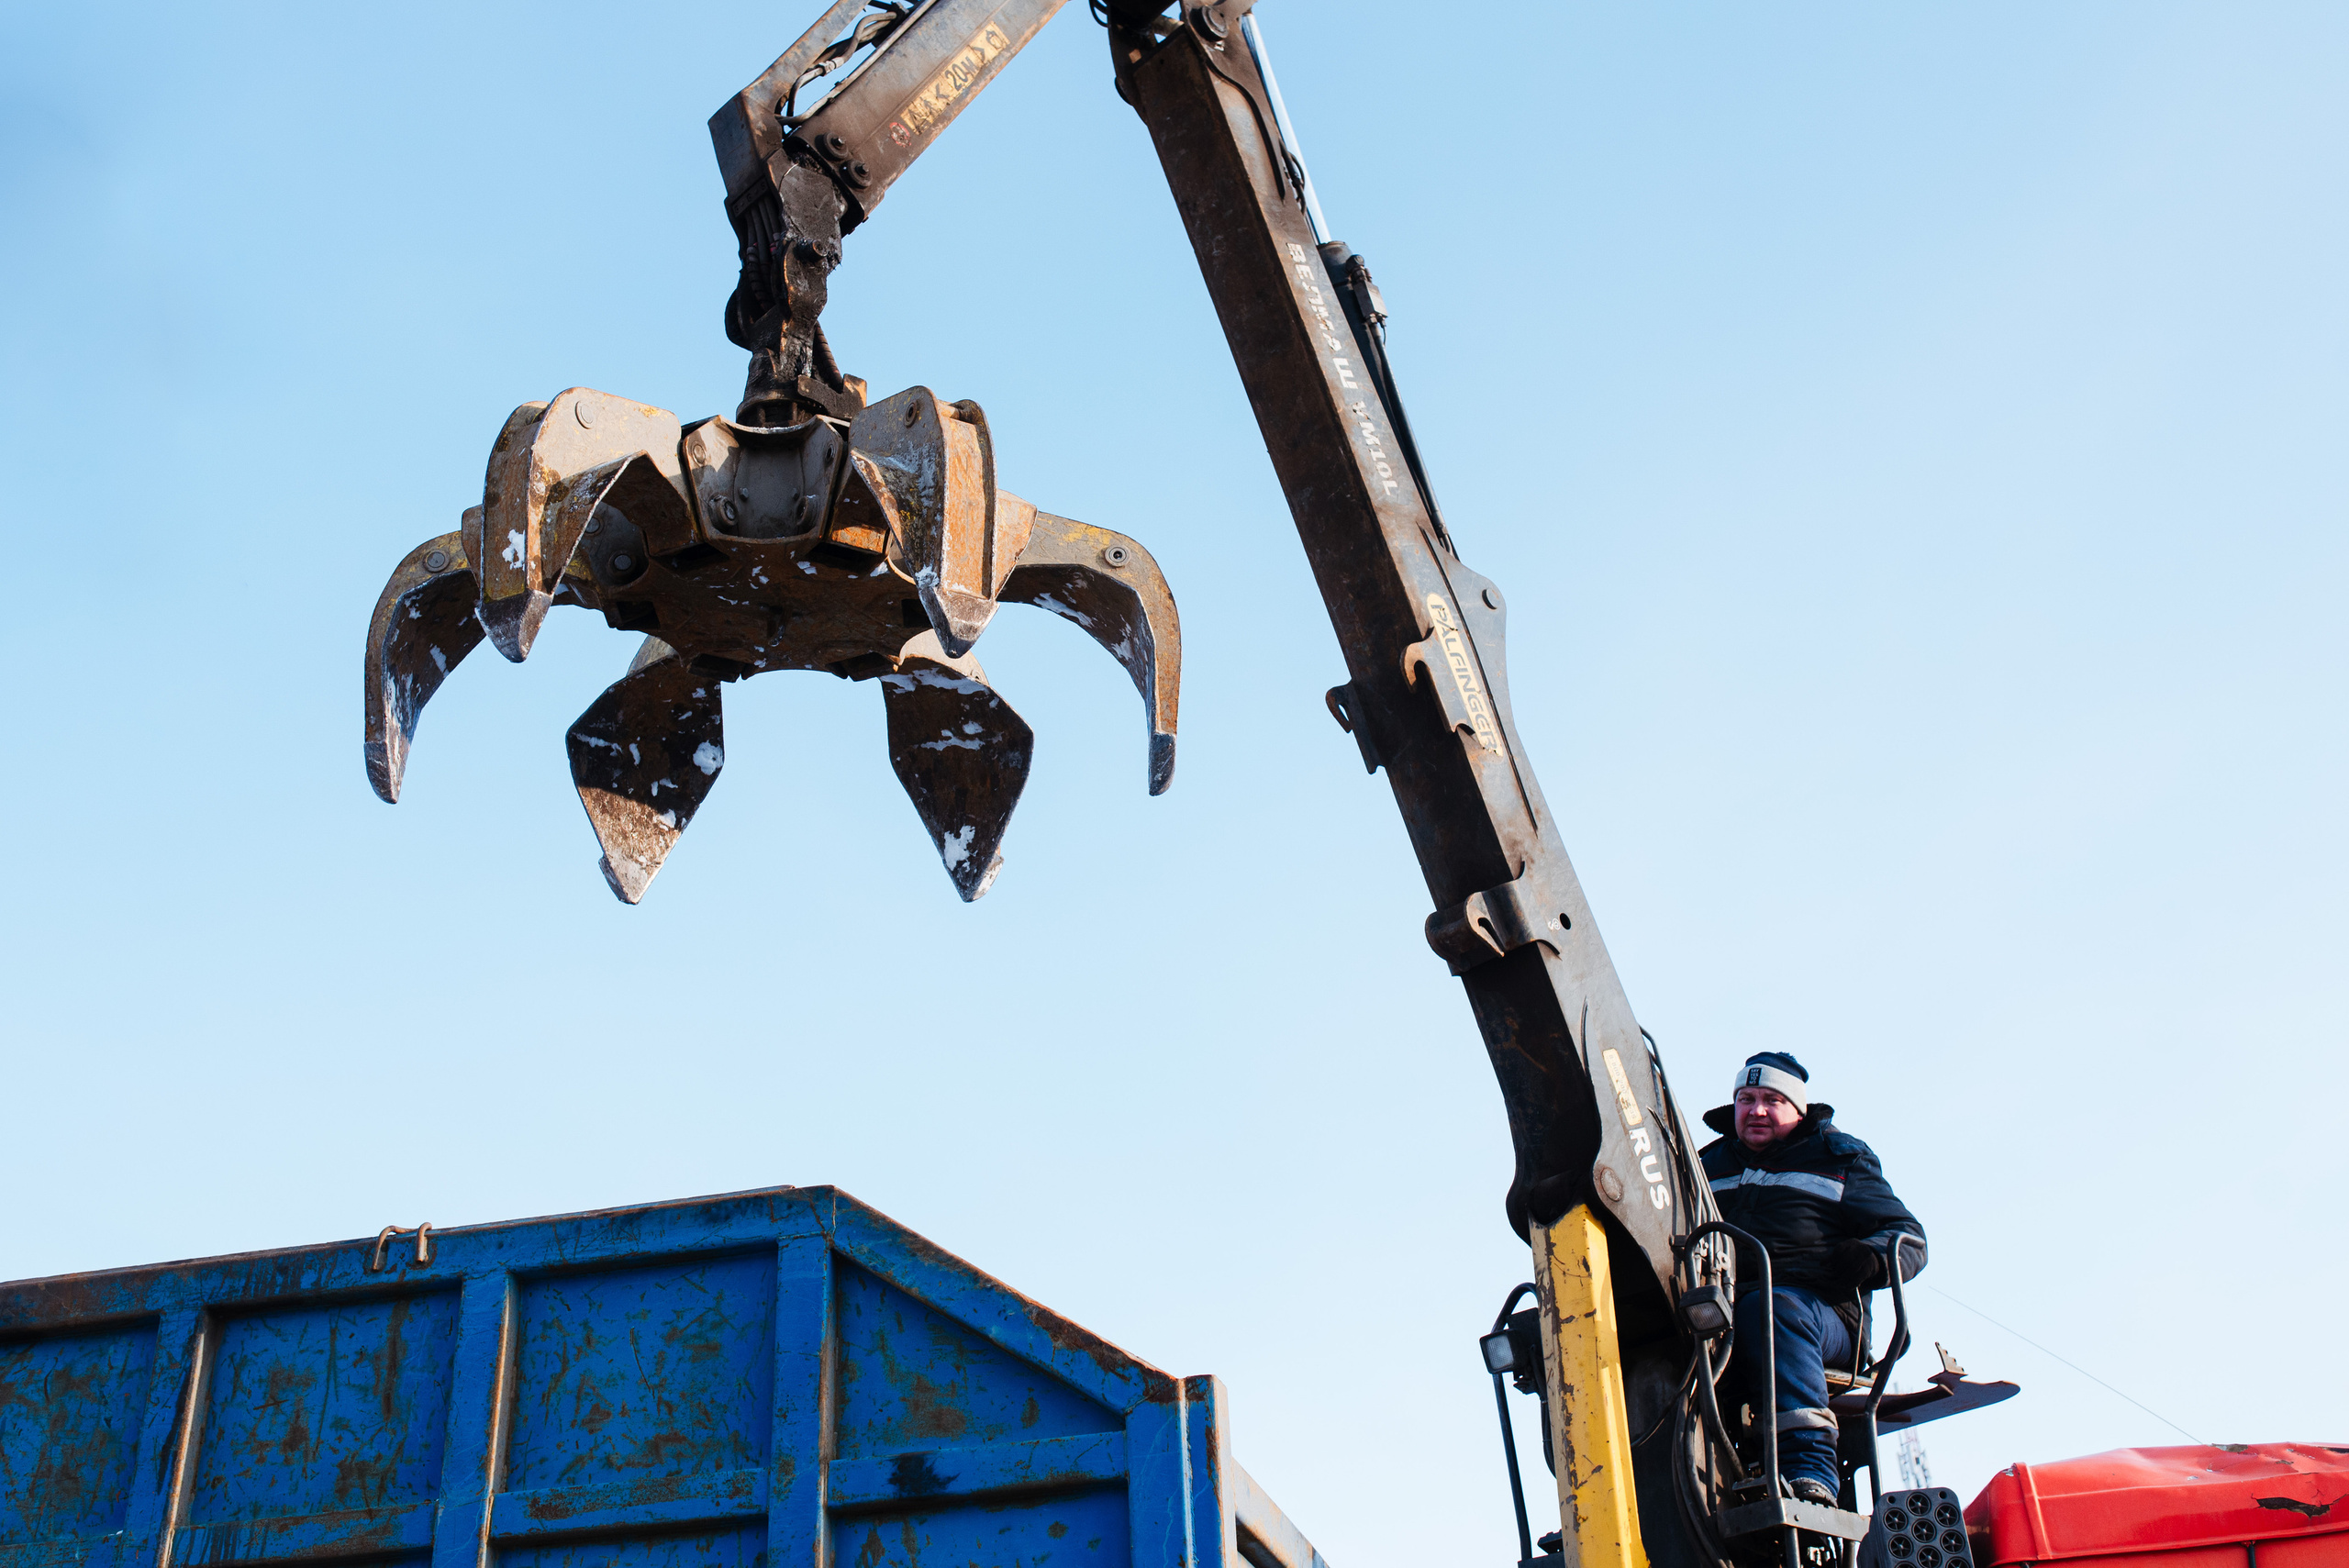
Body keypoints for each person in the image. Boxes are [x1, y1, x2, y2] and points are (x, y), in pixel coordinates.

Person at [1699, 1051, 1925, 1507]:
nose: (1756, 1110)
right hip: (1725, 1314)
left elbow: (1909, 1239)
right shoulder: (1706, 1164)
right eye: (1746, 1098)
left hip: (1821, 1319)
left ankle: (1811, 1468)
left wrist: (1871, 1257)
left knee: (1772, 1308)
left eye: (1771, 1099)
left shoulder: (1840, 1158)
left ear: (1798, 1110)